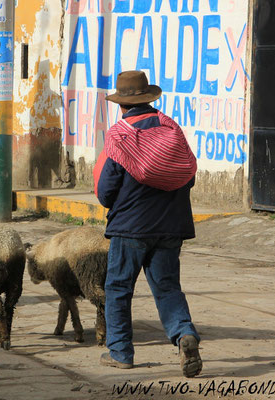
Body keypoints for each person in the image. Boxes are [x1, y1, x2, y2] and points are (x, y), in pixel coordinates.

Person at [93, 70, 202, 378]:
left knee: (117, 288)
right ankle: (184, 335)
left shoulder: (119, 135)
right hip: (172, 225)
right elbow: (188, 175)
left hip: (130, 227)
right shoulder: (172, 129)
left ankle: (121, 352)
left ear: (122, 104)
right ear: (149, 99)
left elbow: (105, 191)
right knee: (167, 287)